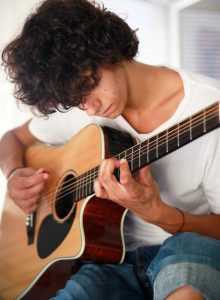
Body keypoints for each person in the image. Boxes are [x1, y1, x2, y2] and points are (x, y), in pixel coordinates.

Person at [1, 0, 220, 299]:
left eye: (87, 87)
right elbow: (12, 139)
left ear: (107, 49)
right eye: (76, 102)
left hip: (188, 247)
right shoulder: (80, 103)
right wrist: (14, 174)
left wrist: (160, 214)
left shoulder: (209, 110)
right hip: (106, 261)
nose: (89, 108)